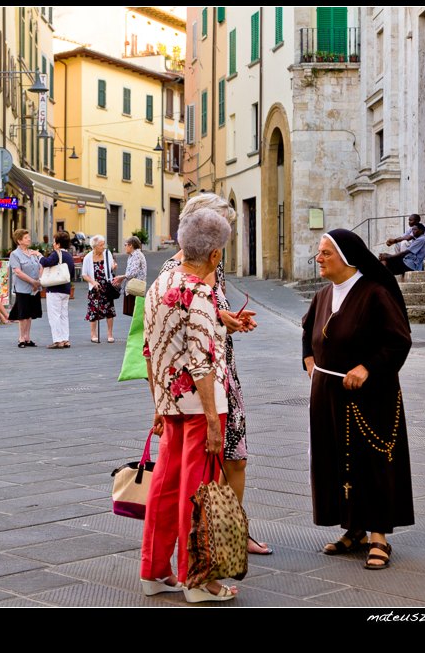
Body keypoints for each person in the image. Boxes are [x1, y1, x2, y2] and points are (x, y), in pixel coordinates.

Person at [159, 192, 269, 555]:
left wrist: (228, 321)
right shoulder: (172, 273)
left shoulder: (212, 266)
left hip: (223, 370)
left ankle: (231, 530)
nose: (224, 238)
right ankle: (205, 544)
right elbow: (172, 339)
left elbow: (209, 314)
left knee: (235, 456)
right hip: (197, 382)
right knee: (201, 465)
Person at [140, 208, 238, 603]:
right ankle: (198, 580)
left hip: (171, 400)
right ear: (215, 255)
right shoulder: (199, 291)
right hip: (200, 406)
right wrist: (215, 421)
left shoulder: (161, 282)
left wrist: (158, 402)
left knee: (165, 486)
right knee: (199, 492)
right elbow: (200, 362)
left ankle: (154, 569)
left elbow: (150, 348)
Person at [302, 228, 415, 570]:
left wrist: (367, 367)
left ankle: (379, 535)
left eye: (325, 253)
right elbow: (308, 331)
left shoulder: (375, 293)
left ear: (347, 258)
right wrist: (308, 359)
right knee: (336, 460)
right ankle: (354, 530)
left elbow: (399, 341)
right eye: (319, 253)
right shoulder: (322, 295)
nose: (319, 259)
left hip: (370, 397)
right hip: (328, 394)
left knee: (373, 463)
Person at [39, 230, 74, 349]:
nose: (53, 244)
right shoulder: (69, 256)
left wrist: (39, 256)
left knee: (54, 315)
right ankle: (65, 339)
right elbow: (72, 273)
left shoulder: (56, 254)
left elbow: (47, 262)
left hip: (54, 289)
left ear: (58, 244)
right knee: (64, 314)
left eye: (54, 242)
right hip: (66, 289)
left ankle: (57, 340)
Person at [8, 229, 43, 347]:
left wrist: (39, 281)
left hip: (34, 288)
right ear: (19, 241)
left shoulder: (33, 253)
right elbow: (18, 272)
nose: (29, 239)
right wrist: (32, 281)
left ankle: (28, 337)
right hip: (23, 288)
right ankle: (21, 338)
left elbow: (40, 266)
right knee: (23, 314)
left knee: (30, 314)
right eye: (26, 237)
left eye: (28, 237)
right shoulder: (15, 254)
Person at [81, 234, 117, 343]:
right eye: (101, 245)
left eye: (103, 244)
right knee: (94, 311)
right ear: (94, 246)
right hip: (94, 287)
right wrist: (93, 282)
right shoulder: (88, 257)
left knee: (109, 310)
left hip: (107, 285)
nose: (103, 247)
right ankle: (93, 334)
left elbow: (111, 266)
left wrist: (114, 266)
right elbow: (84, 274)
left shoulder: (107, 253)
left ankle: (110, 334)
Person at [112, 236, 147, 317]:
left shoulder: (136, 255)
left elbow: (132, 273)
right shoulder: (133, 255)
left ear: (130, 245)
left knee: (136, 314)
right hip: (133, 287)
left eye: (125, 245)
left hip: (135, 288)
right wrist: (122, 278)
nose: (125, 247)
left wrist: (121, 277)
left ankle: (137, 330)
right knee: (135, 314)